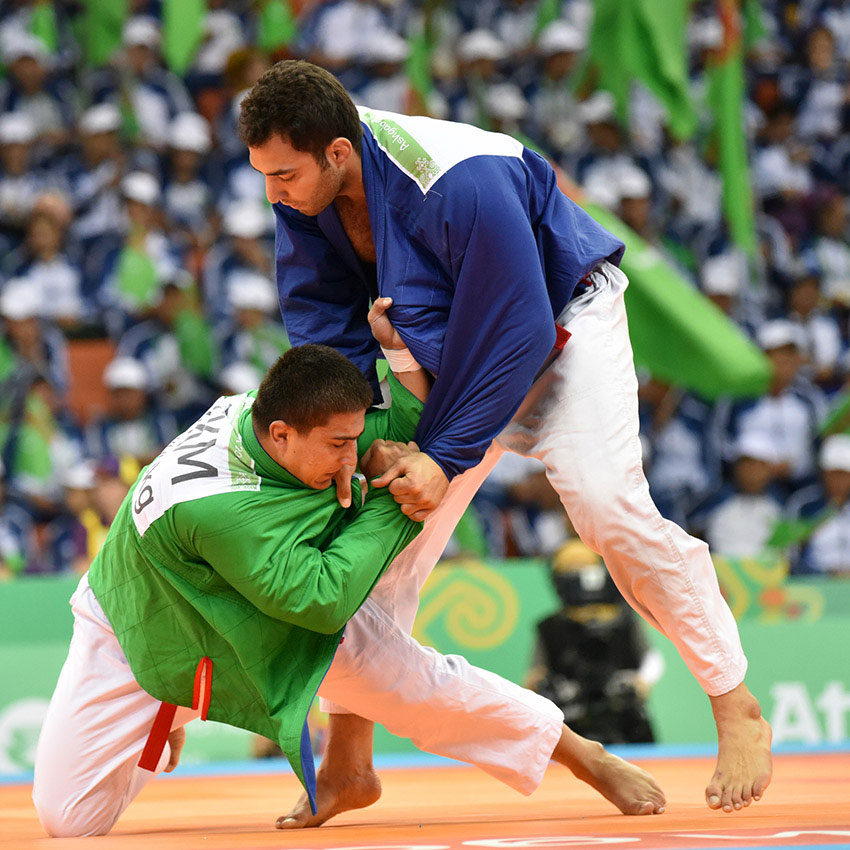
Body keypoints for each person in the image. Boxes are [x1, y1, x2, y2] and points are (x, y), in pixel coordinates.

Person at [240, 59, 773, 825]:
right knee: (371, 534)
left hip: (559, 333)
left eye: (283, 173)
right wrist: (353, 440)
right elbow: (324, 327)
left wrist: (443, 457)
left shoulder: (460, 177)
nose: (272, 193)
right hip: (446, 355)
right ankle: (348, 759)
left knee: (606, 506)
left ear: (338, 152)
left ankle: (734, 701)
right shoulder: (306, 195)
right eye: (264, 175)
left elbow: (518, 330)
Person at [32, 312, 666, 837]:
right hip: (134, 624)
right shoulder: (225, 510)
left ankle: (585, 755)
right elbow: (323, 598)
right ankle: (173, 698)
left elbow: (409, 425)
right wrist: (401, 495)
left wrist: (401, 363)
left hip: (245, 612)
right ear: (279, 436)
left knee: (412, 680)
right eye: (337, 445)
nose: (349, 453)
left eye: (352, 438)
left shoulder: (273, 416)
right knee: (69, 819)